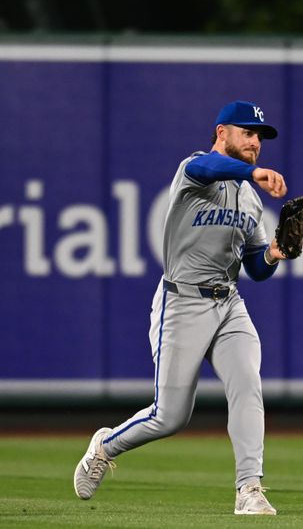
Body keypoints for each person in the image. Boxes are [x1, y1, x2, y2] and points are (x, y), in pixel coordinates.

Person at [73, 100, 288, 516]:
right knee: (170, 417)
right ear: (222, 132)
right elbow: (211, 169)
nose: (256, 141)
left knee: (247, 384)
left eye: (260, 136)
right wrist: (253, 173)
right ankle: (104, 445)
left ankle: (249, 489)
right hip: (182, 301)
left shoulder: (251, 200)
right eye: (247, 132)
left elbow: (256, 269)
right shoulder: (193, 171)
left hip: (229, 303)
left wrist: (275, 254)